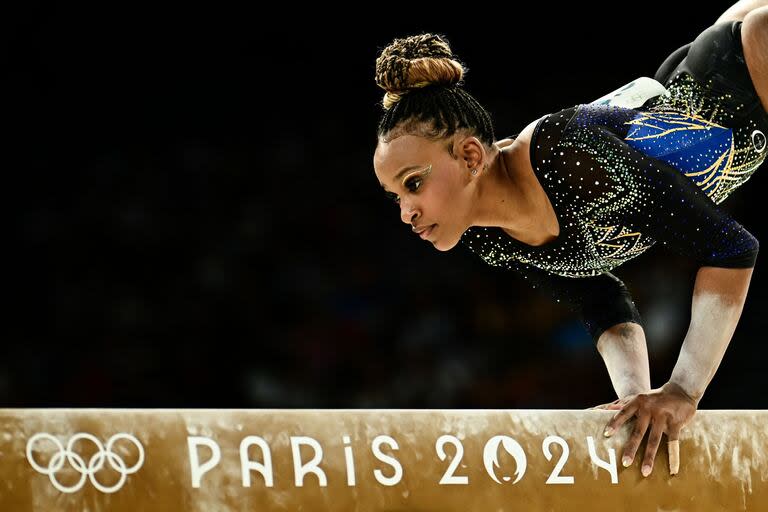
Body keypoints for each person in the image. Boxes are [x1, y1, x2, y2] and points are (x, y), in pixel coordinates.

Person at [372, 0, 768, 478]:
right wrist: (635, 399)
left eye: (413, 183)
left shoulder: (564, 154)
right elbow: (601, 297)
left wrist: (682, 392)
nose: (406, 211)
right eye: (394, 195)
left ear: (471, 156)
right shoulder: (490, 237)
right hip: (693, 88)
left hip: (739, 74)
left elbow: (729, 247)